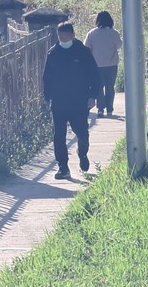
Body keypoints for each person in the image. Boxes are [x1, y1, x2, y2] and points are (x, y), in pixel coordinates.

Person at [42, 21, 100, 180]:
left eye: (66, 37)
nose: (63, 40)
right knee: (58, 135)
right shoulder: (53, 53)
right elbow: (47, 78)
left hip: (79, 101)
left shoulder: (83, 52)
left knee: (82, 133)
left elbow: (94, 75)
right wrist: (47, 97)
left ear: (73, 35)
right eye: (60, 37)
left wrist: (93, 96)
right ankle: (63, 167)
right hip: (59, 102)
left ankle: (82, 154)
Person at [84, 11, 122, 118]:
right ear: (110, 20)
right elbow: (119, 45)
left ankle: (100, 109)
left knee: (99, 87)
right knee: (110, 87)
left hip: (96, 65)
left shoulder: (91, 33)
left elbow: (86, 47)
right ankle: (109, 109)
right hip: (111, 64)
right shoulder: (114, 33)